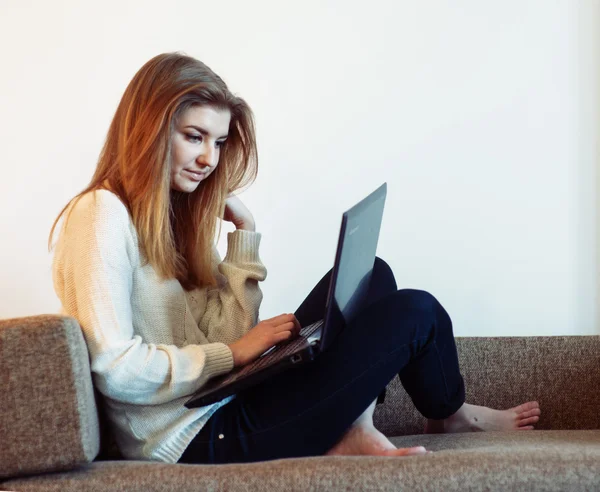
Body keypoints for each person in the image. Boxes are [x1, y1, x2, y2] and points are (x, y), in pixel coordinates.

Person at [49, 52, 541, 465]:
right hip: (191, 439)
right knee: (415, 311)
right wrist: (235, 355)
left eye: (218, 142)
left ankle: (360, 426)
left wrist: (244, 233)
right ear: (150, 131)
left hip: (220, 402)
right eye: (194, 137)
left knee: (374, 277)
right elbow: (115, 367)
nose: (209, 159)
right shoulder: (99, 216)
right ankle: (447, 412)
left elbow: (226, 337)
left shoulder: (161, 221)